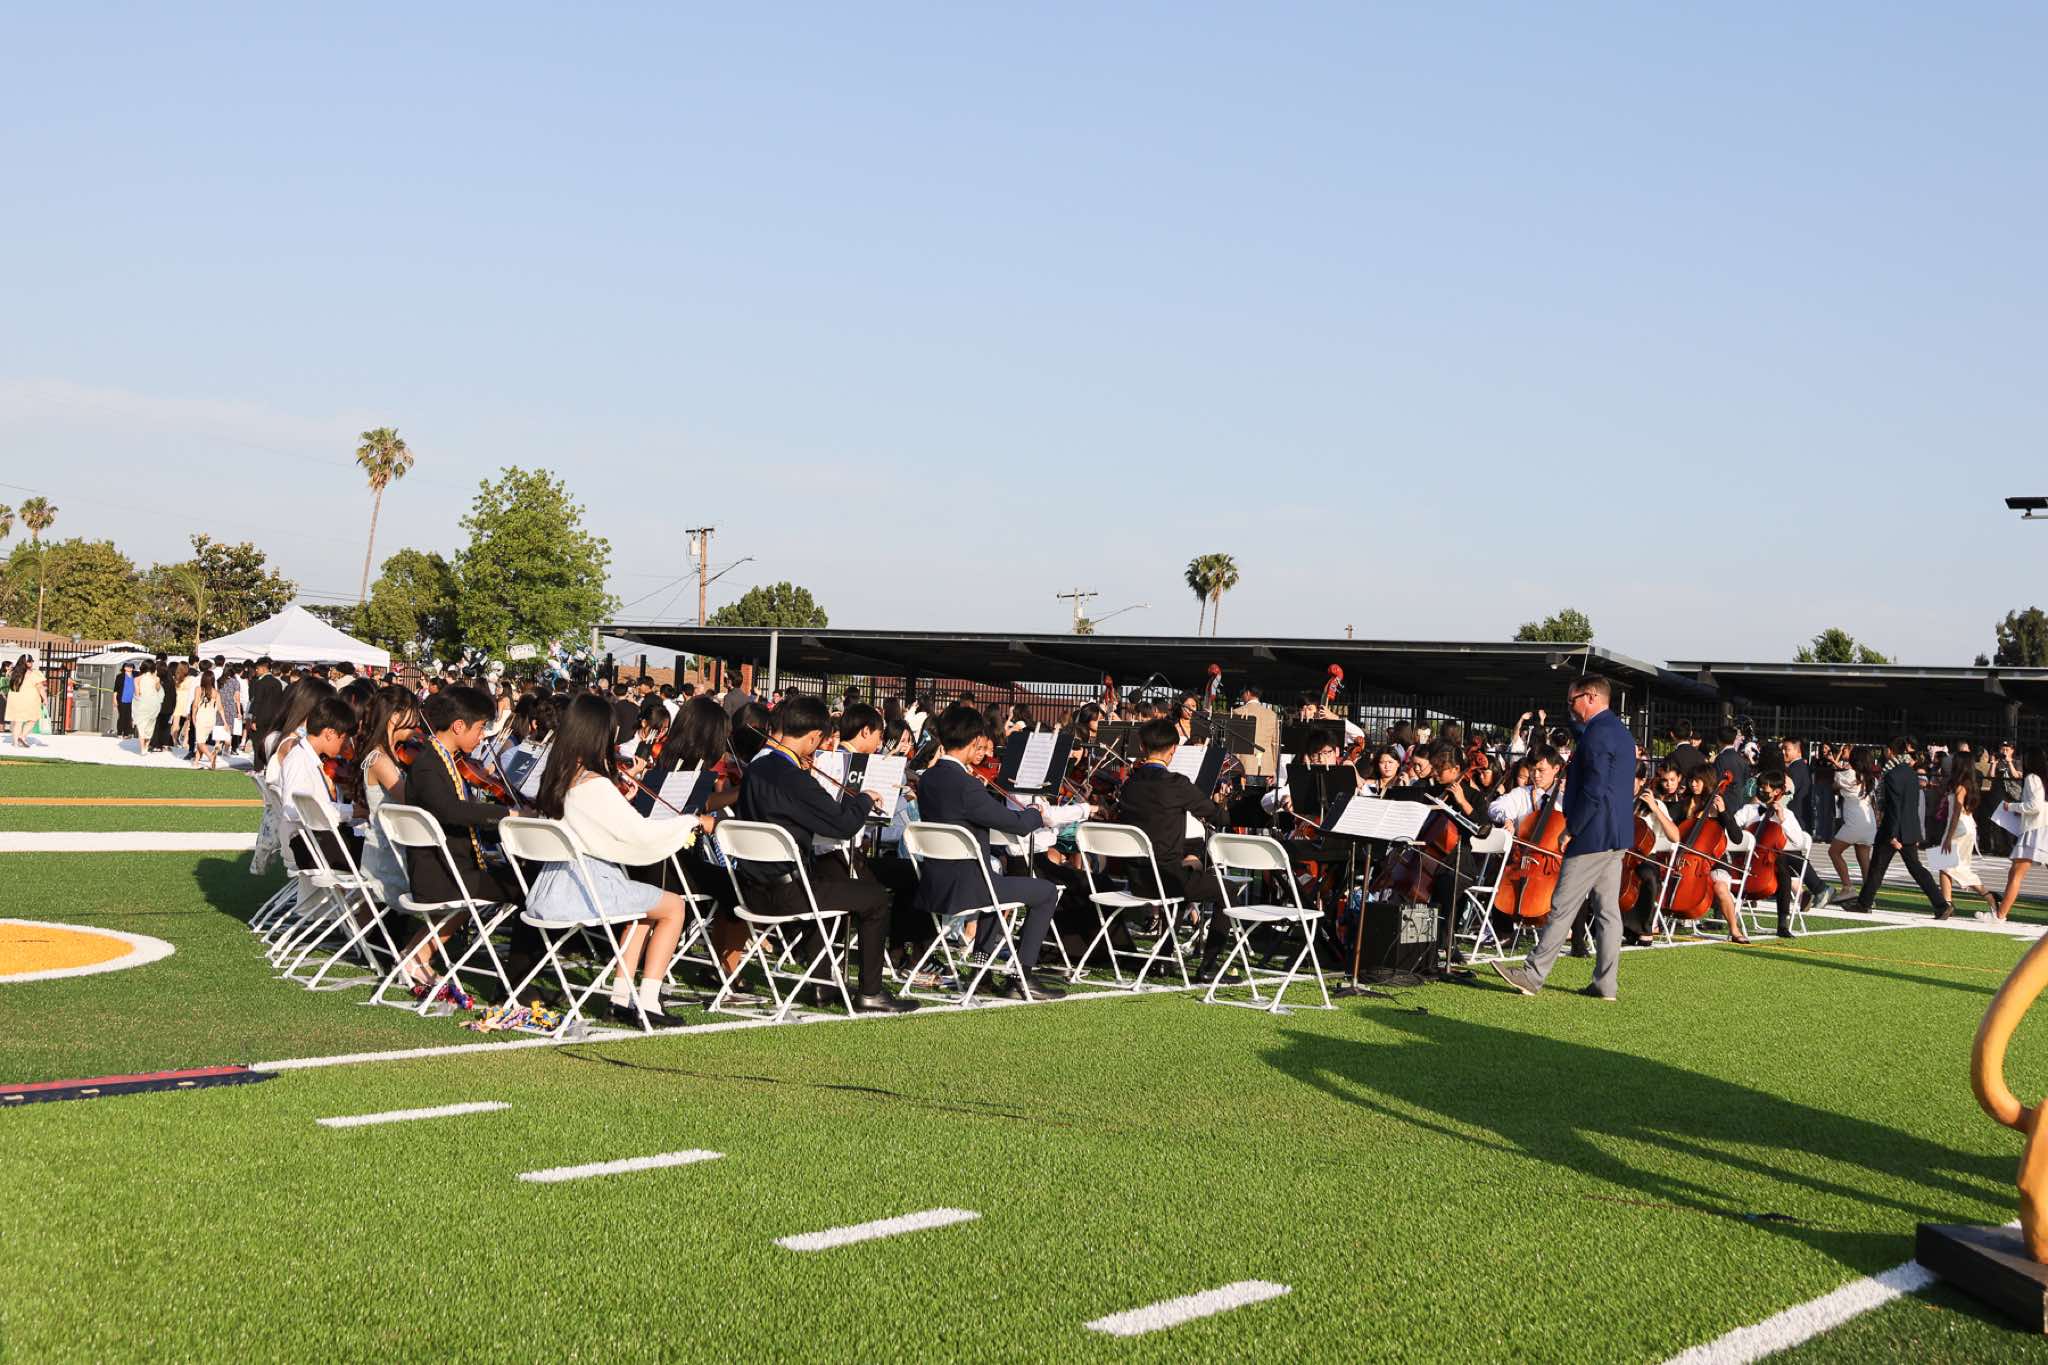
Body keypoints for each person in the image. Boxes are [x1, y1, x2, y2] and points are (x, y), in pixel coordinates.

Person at [734, 693, 917, 1014]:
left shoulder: (756, 768)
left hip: (750, 890)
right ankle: (871, 993)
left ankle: (821, 983)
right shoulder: (795, 778)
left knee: (831, 884)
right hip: (787, 895)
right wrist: (863, 799)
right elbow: (844, 825)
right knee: (875, 898)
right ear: (814, 737)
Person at [527, 694, 698, 1024]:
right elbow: (641, 833)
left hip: (551, 885)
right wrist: (691, 821)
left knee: (644, 906)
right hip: (587, 886)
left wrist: (623, 801)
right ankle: (648, 1000)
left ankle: (620, 998)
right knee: (674, 905)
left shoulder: (558, 775)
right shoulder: (595, 783)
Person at [1493, 675, 1633, 1001]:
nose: (1570, 707)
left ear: (1590, 697)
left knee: (1561, 905)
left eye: (1572, 701)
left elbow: (1595, 789)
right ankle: (1605, 984)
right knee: (1608, 912)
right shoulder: (1620, 732)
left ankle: (1532, 974)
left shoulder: (1598, 733)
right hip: (1616, 833)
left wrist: (1572, 827)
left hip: (1592, 834)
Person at [913, 704, 1068, 1000]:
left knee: (997, 886)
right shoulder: (967, 785)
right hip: (968, 888)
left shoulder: (929, 779)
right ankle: (1023, 976)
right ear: (974, 742)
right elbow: (1017, 825)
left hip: (934, 884)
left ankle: (981, 973)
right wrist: (1036, 812)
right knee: (1046, 892)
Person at [1113, 718, 1238, 982]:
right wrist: (1221, 802)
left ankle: (1163, 960)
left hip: (1137, 880)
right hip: (1166, 877)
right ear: (1173, 749)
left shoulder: (1129, 785)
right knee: (1226, 890)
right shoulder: (1176, 783)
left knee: (1182, 884)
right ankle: (1208, 968)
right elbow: (1218, 817)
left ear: (1142, 747)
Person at [1851, 736, 1952, 919]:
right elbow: (1910, 805)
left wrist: (1892, 834)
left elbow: (1894, 806)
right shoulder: (1911, 773)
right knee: (1916, 869)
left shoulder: (1892, 775)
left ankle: (1864, 903)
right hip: (1909, 828)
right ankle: (1941, 904)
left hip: (1893, 828)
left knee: (1877, 868)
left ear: (1890, 751)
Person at [1987, 747, 2048, 922]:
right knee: (2015, 873)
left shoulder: (2032, 778)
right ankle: (2000, 914)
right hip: (2041, 827)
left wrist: (2011, 807)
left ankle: (2000, 915)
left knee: (2015, 874)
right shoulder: (2042, 778)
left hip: (2036, 830)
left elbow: (2034, 806)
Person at [1827, 747, 1877, 896]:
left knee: (1834, 852)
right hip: (1869, 821)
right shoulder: (1872, 779)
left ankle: (1847, 887)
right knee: (1864, 860)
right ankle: (1868, 895)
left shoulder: (1846, 775)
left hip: (1854, 822)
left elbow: (1834, 787)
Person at [5, 655, 45, 748]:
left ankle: (16, 743)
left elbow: (9, 680)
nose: (32, 663)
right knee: (33, 719)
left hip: (14, 699)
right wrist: (45, 699)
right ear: (25, 662)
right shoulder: (35, 673)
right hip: (29, 699)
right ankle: (22, 737)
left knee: (18, 721)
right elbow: (40, 687)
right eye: (30, 661)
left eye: (32, 661)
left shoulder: (12, 672)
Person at [189, 668, 222, 770]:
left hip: (201, 717)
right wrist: (224, 721)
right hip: (211, 718)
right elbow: (220, 708)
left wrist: (193, 716)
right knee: (202, 740)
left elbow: (195, 705)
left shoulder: (199, 689)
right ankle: (196, 762)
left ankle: (210, 756)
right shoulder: (216, 692)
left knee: (200, 742)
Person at [171, 662, 198, 755]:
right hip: (187, 701)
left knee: (176, 723)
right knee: (188, 723)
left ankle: (174, 741)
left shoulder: (176, 678)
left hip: (177, 701)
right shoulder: (191, 679)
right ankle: (185, 742)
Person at [116, 663, 136, 738]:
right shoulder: (120, 676)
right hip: (122, 699)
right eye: (127, 666)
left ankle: (126, 733)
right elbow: (116, 689)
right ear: (124, 667)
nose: (129, 668)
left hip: (132, 700)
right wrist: (114, 699)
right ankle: (119, 732)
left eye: (131, 666)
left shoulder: (135, 675)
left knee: (129, 717)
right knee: (122, 716)